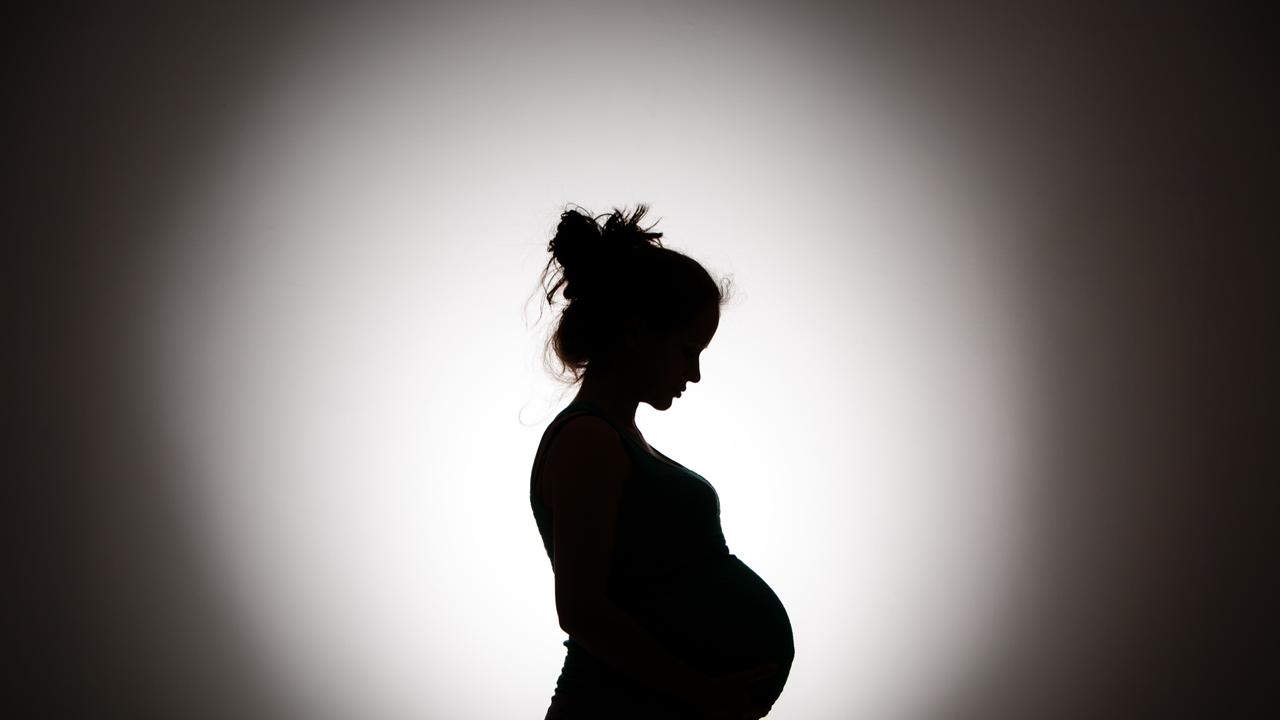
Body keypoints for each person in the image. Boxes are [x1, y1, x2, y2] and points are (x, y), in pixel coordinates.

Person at [529, 205, 795, 719]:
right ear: (635, 331)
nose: (694, 373)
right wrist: (701, 692)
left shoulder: (620, 439)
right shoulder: (587, 439)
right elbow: (581, 611)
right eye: (686, 349)